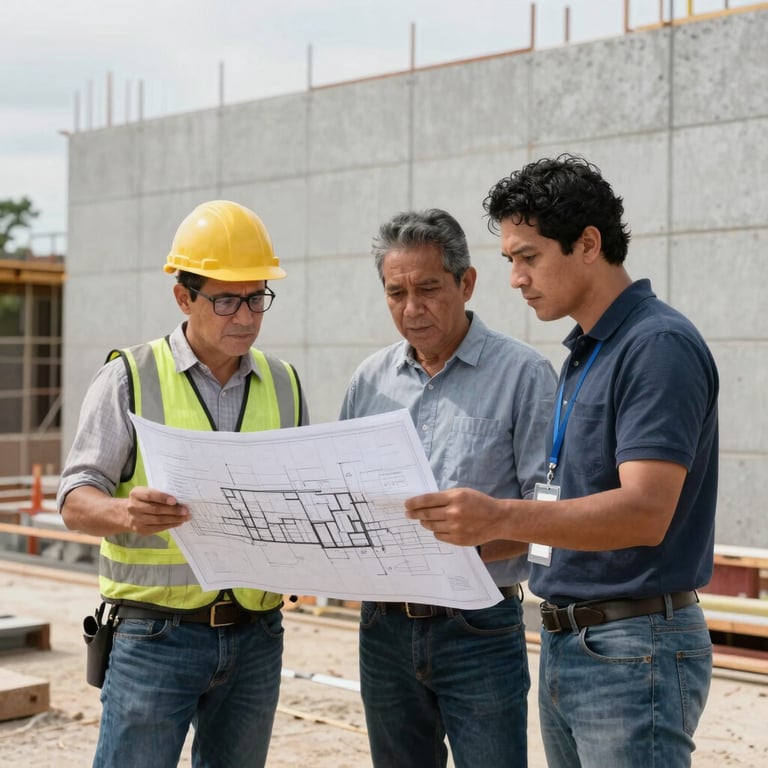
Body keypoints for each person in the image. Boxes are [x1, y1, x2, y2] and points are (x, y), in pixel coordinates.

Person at [405, 155, 719, 767]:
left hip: (631, 646)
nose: (516, 279)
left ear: (588, 244)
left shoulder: (656, 346)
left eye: (528, 257)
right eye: (509, 260)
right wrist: (461, 539)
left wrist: (499, 515)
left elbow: (645, 512)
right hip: (574, 642)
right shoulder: (587, 352)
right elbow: (567, 509)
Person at [58, 200, 308, 768]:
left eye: (257, 297)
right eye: (226, 300)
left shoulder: (285, 384)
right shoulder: (129, 377)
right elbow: (74, 498)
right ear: (183, 297)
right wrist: (126, 513)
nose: (245, 316)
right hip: (154, 638)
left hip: (256, 636)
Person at [339, 208, 557, 768]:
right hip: (383, 627)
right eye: (396, 293)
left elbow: (551, 519)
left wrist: (472, 547)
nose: (412, 309)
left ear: (466, 283)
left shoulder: (524, 375)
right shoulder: (369, 382)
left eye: (428, 289)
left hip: (479, 623)